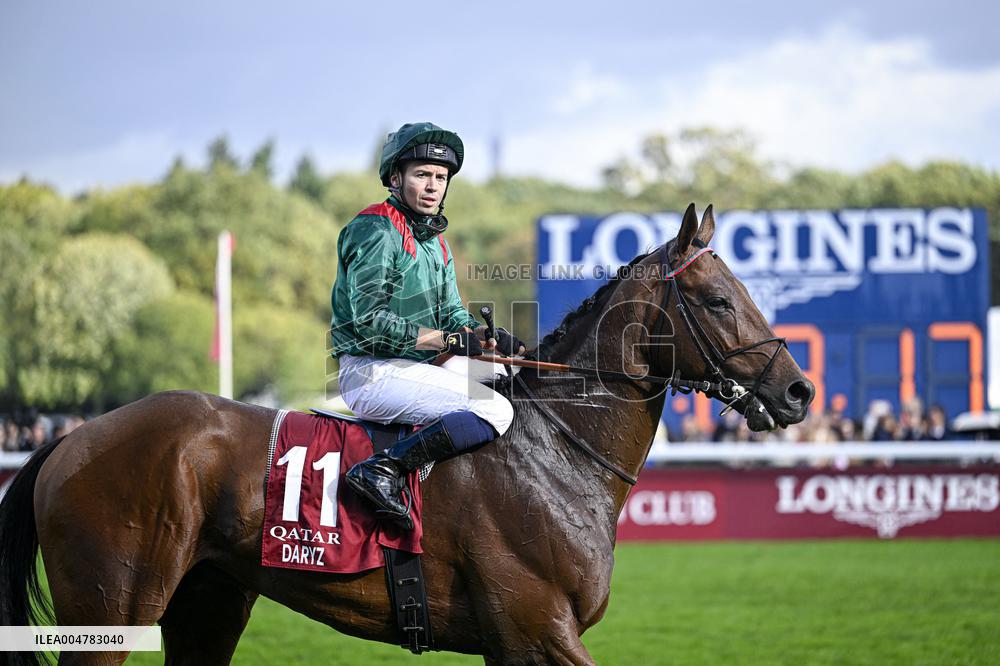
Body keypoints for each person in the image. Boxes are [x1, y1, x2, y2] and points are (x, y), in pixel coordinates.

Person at [330, 122, 525, 530]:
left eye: (440, 177)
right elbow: (368, 323)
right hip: (370, 372)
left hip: (416, 367)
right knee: (496, 410)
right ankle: (382, 470)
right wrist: (450, 340)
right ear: (396, 178)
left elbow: (452, 312)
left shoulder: (435, 241)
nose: (433, 185)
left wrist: (485, 337)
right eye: (422, 174)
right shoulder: (377, 230)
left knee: (512, 375)